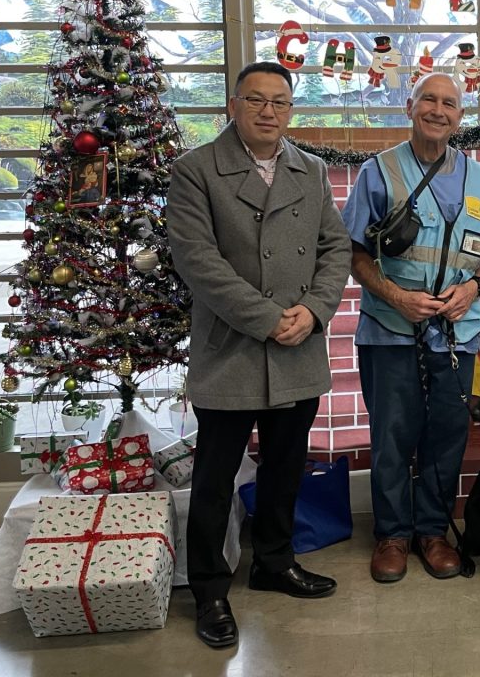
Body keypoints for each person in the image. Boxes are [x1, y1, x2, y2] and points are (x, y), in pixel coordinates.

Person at [167, 61, 352, 648]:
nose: (269, 111)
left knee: (284, 467)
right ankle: (210, 589)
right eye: (256, 100)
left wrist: (315, 311)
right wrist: (269, 318)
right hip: (233, 349)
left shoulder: (313, 170)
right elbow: (198, 262)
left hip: (300, 344)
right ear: (233, 105)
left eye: (280, 102)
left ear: (291, 111)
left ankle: (274, 563)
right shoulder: (196, 170)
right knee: (216, 479)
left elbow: (335, 247)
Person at [342, 73, 480, 584]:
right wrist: (396, 295)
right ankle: (393, 535)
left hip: (459, 338)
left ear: (461, 116)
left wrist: (474, 289)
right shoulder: (379, 172)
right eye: (429, 101)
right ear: (410, 108)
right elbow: (354, 255)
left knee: (447, 436)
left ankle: (432, 531)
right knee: (393, 435)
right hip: (391, 332)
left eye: (451, 104)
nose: (439, 110)